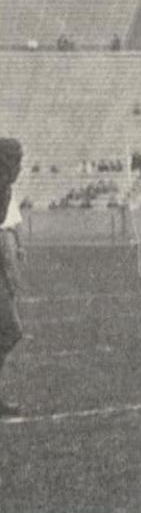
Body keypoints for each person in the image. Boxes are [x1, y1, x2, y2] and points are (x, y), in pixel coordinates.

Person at [0, 138, 24, 417]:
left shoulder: (5, 188)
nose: (20, 164)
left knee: (9, 331)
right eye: (16, 158)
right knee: (9, 330)